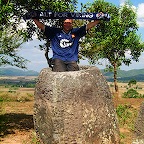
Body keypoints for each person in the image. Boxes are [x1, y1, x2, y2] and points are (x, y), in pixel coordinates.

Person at [33, 18, 101, 72]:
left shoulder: (76, 32)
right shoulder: (55, 32)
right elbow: (42, 27)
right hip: (59, 58)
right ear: (63, 23)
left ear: (72, 24)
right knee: (59, 74)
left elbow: (87, 27)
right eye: (65, 23)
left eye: (69, 23)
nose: (67, 24)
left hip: (71, 59)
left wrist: (97, 20)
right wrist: (34, 19)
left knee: (74, 75)